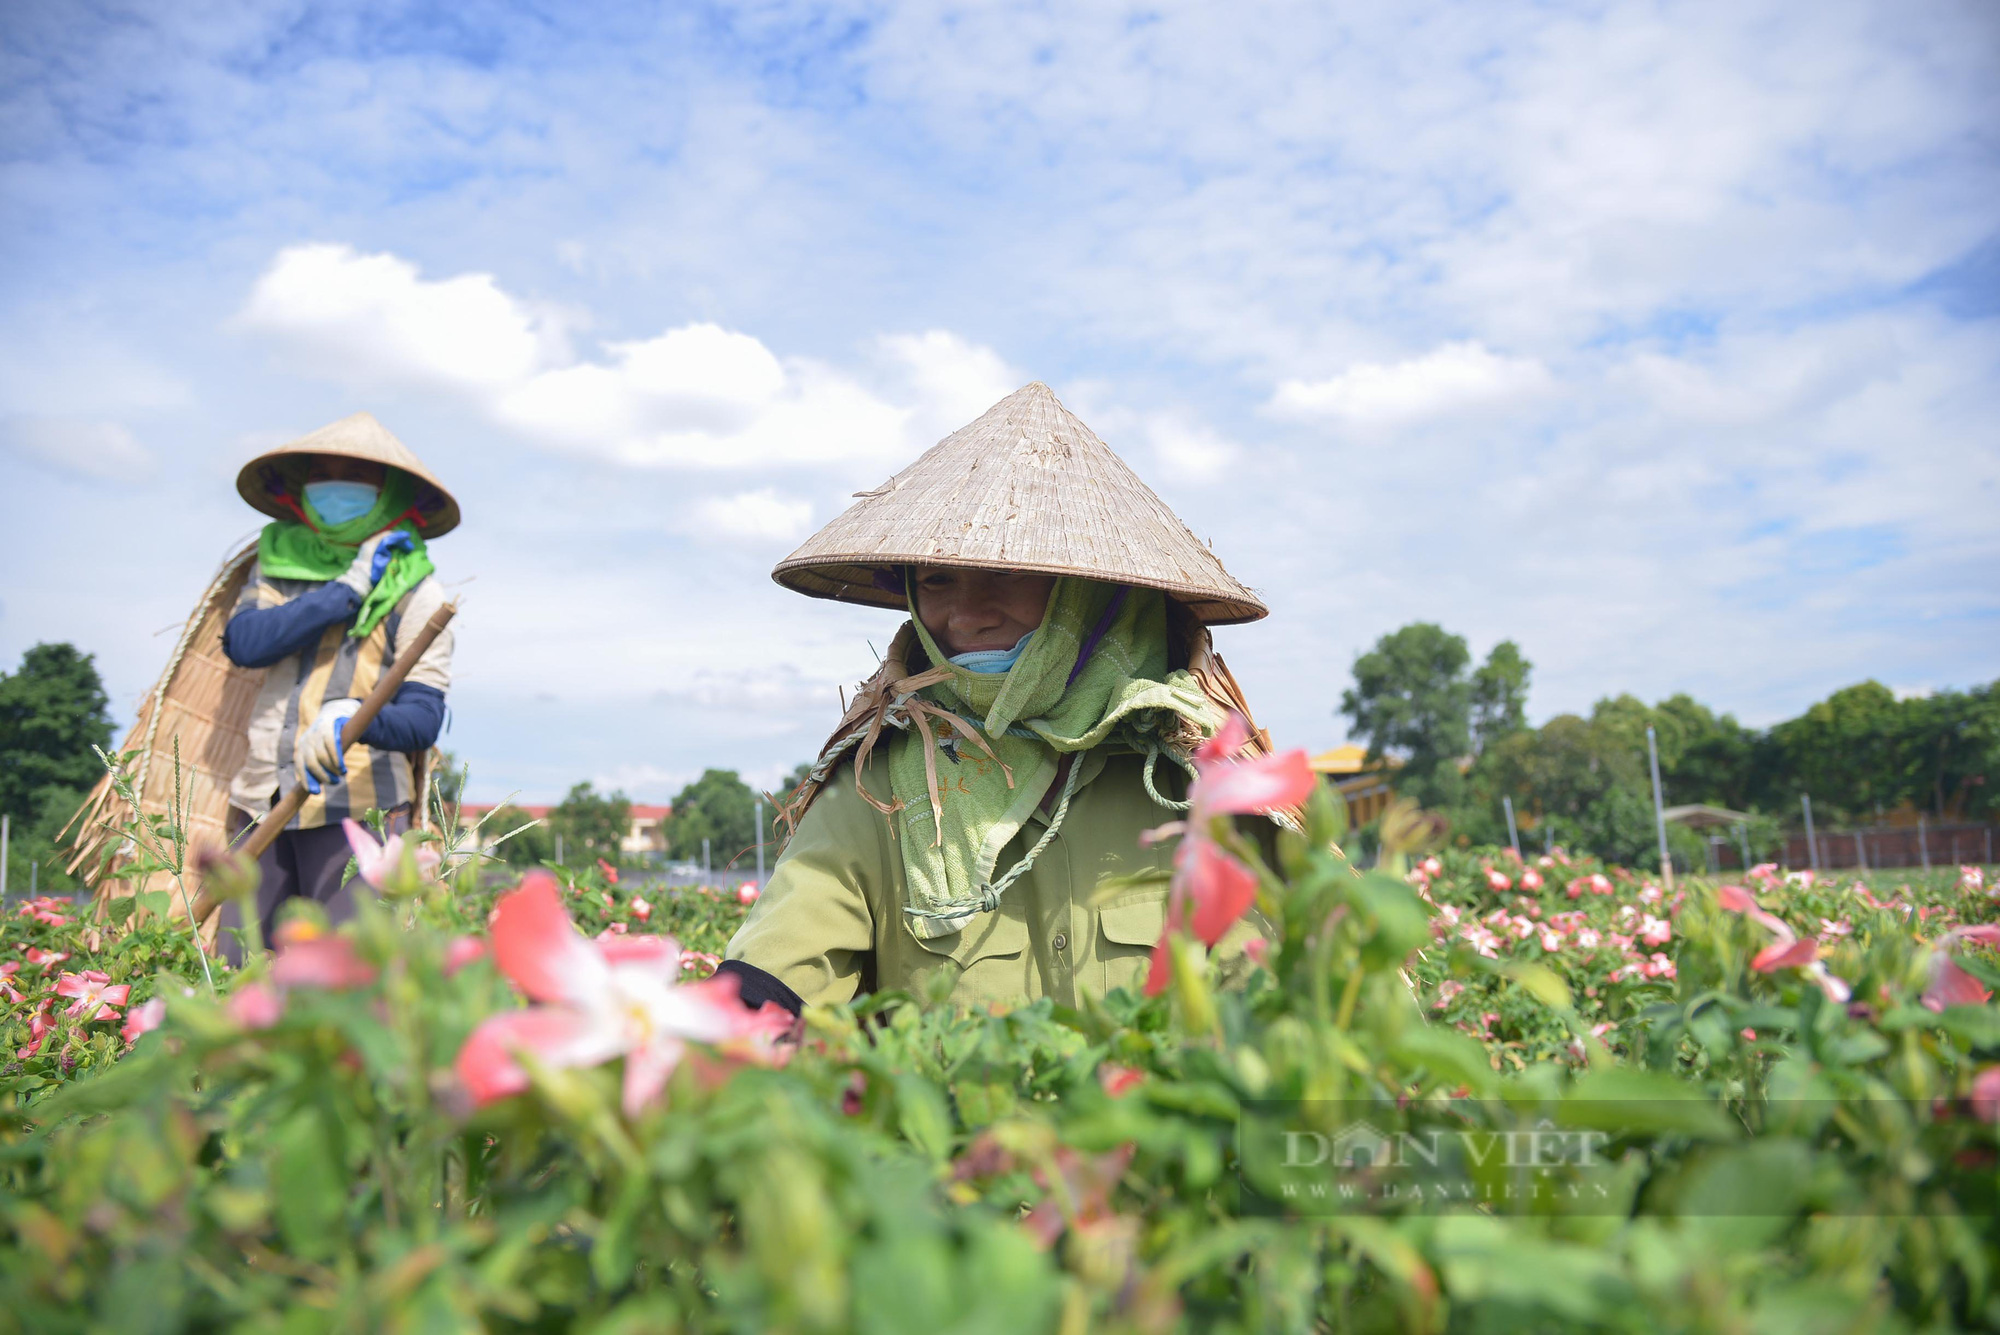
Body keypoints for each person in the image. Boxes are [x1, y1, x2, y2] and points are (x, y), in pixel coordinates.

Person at [721, 382, 1273, 1016]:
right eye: (936, 578)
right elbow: (767, 992)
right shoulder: (879, 793)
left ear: (1088, 595)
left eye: (1008, 574)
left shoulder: (1196, 783)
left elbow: (1287, 1017)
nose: (965, 614)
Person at [216, 413, 458, 960]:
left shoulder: (418, 591)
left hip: (359, 810)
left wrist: (354, 715)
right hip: (262, 800)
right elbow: (246, 643)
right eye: (321, 474)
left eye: (352, 476)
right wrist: (345, 589)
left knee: (346, 972)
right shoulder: (276, 566)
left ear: (389, 493)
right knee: (238, 968)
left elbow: (423, 716)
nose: (334, 486)